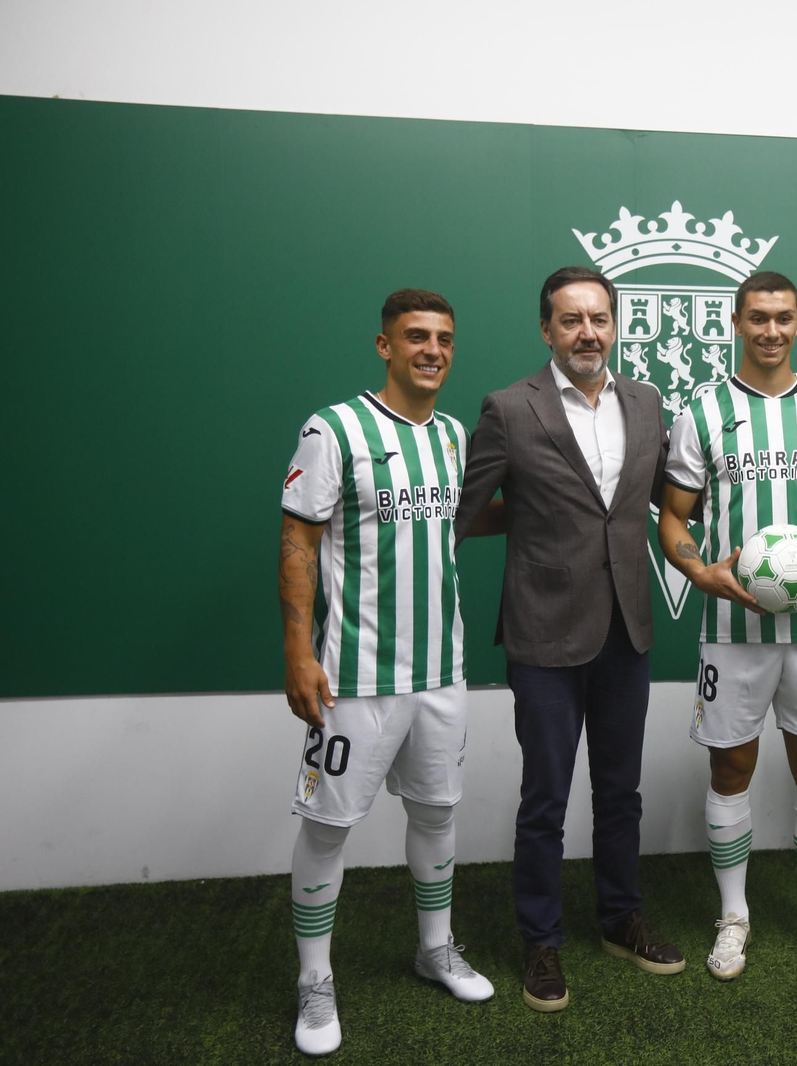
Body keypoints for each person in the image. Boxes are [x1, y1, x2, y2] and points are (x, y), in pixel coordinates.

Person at [454, 266, 682, 1014]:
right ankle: (540, 940)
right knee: (545, 796)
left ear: (615, 326)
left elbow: (661, 501)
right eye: (571, 320)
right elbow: (465, 508)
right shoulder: (508, 408)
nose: (588, 332)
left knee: (621, 791)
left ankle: (621, 918)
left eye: (600, 319)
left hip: (627, 626)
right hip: (543, 631)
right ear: (547, 329)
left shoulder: (647, 403)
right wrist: (532, 520)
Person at [278, 288, 491, 1057]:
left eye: (443, 338)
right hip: (354, 678)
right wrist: (299, 652)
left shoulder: (454, 436)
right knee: (328, 826)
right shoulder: (333, 428)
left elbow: (455, 517)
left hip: (442, 672)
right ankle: (313, 980)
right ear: (384, 346)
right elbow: (298, 542)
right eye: (416, 337)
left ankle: (434, 949)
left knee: (437, 813)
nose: (432, 349)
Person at [658, 270, 797, 981]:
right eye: (758, 318)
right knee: (731, 768)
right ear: (737, 323)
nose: (771, 330)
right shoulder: (704, 411)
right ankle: (734, 917)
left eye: (783, 317)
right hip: (731, 629)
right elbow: (673, 515)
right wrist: (699, 570)